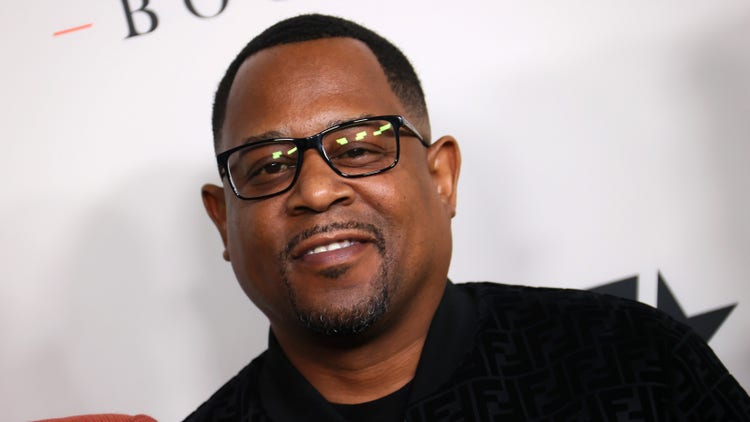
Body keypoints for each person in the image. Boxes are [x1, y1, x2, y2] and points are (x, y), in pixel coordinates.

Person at [188, 13, 750, 421]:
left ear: (442, 178)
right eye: (268, 166)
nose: (315, 190)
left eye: (358, 148)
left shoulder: (635, 359)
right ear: (222, 221)